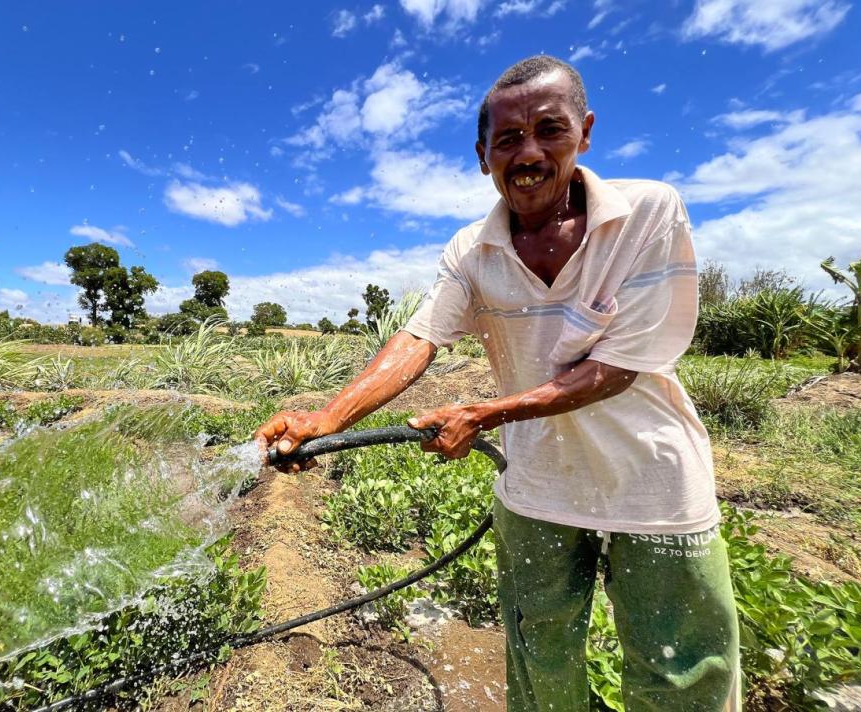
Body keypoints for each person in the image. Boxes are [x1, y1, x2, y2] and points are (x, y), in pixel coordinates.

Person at [255, 55, 740, 712]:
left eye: (549, 129)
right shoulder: (470, 249)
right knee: (539, 662)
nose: (528, 152)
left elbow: (619, 368)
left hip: (653, 486)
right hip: (537, 489)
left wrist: (486, 414)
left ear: (585, 132)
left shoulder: (646, 213)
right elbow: (419, 337)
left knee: (678, 676)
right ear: (482, 155)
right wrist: (326, 419)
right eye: (507, 139)